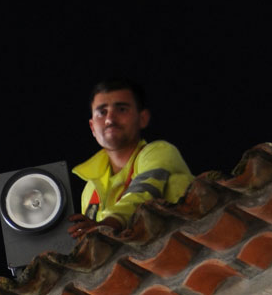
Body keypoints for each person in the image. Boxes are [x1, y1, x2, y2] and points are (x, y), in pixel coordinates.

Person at [69, 79, 192, 238]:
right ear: (92, 127)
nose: (110, 120)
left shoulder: (159, 152)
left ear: (142, 118)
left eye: (121, 109)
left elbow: (143, 193)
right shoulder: (90, 189)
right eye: (102, 112)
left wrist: (108, 224)